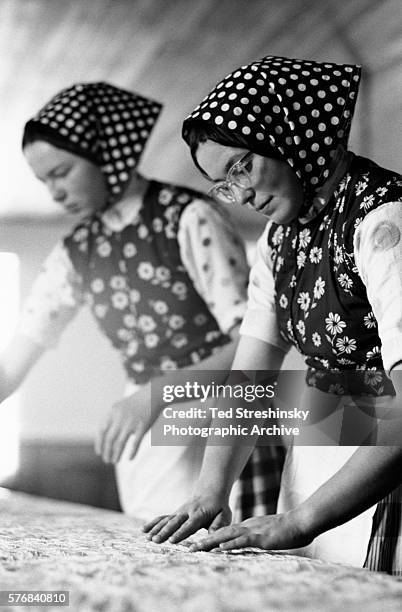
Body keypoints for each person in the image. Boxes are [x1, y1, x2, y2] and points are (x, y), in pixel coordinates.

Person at [143, 55, 402, 574]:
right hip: (315, 464)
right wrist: (209, 491)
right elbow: (249, 382)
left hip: (382, 473)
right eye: (223, 182)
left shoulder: (384, 219)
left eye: (241, 167)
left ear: (291, 135)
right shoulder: (278, 242)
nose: (240, 194)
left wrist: (301, 521)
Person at [0, 81, 285, 520]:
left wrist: (157, 394)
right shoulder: (77, 252)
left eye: (61, 173)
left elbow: (249, 346)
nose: (53, 192)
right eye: (44, 181)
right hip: (141, 419)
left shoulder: (189, 218)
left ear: (108, 153)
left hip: (217, 411)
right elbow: (15, 359)